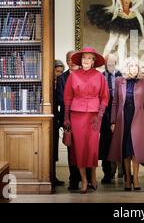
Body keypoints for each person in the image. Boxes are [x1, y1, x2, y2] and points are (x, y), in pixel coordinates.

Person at [64, 47, 110, 194]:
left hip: (94, 116)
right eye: (84, 58)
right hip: (76, 115)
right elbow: (67, 98)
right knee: (79, 148)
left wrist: (100, 115)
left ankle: (93, 176)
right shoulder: (73, 76)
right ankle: (83, 179)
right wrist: (66, 118)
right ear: (81, 60)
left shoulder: (100, 76)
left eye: (89, 58)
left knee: (92, 147)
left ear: (93, 61)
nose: (86, 60)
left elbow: (105, 97)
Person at [108, 57, 144, 191]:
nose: (134, 68)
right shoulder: (119, 81)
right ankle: (128, 179)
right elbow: (115, 102)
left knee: (135, 150)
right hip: (123, 120)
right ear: (127, 68)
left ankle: (136, 179)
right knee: (125, 150)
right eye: (131, 66)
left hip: (138, 119)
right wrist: (113, 121)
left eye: (136, 66)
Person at [56, 52, 85, 191]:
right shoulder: (62, 78)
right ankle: (74, 179)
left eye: (74, 59)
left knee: (85, 149)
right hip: (69, 119)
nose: (71, 62)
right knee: (71, 150)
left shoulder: (86, 75)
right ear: (67, 61)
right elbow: (61, 98)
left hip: (85, 118)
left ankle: (86, 178)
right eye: (69, 59)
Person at [100, 54, 122, 184]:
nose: (110, 66)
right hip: (105, 114)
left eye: (113, 63)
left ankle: (123, 171)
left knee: (121, 142)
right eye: (108, 63)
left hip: (119, 112)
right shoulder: (100, 76)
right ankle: (107, 173)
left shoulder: (122, 76)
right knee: (106, 144)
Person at [52, 60, 66, 188]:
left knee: (55, 148)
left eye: (61, 72)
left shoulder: (61, 83)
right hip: (50, 119)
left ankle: (53, 176)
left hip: (57, 119)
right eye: (57, 71)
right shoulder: (49, 84)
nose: (59, 74)